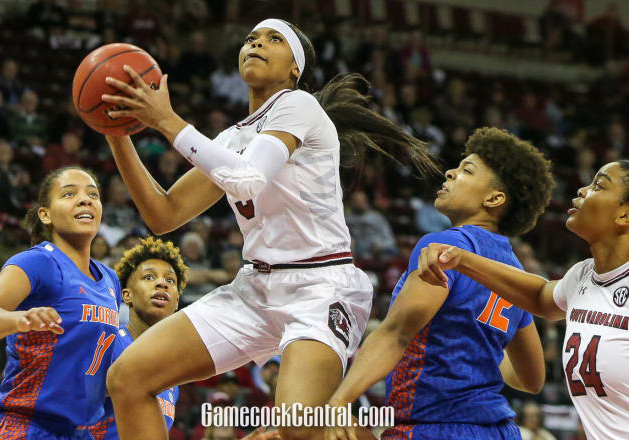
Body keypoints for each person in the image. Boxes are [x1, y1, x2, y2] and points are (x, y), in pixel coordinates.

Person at [101, 17, 438, 440]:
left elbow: (247, 178)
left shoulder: (298, 106)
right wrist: (116, 134)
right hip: (255, 287)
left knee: (300, 425)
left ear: (295, 68)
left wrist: (166, 120)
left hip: (319, 287)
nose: (256, 44)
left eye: (273, 39)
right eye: (250, 39)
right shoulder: (228, 139)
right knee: (127, 378)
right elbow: (164, 214)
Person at [325, 127, 555, 440]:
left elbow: (396, 333)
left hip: (433, 427)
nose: (450, 172)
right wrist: (477, 359)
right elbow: (532, 379)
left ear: (494, 198)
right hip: (499, 430)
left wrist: (339, 401)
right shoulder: (514, 273)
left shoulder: (447, 245)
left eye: (466, 170)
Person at [417, 159, 629, 440]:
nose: (581, 190)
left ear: (624, 215)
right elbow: (540, 297)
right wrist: (461, 259)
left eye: (598, 186)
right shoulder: (582, 276)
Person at [0, 166, 121, 439]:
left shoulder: (110, 280)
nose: (85, 199)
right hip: (26, 426)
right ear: (45, 214)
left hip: (81, 432)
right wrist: (20, 319)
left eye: (93, 194)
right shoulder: (38, 262)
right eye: (69, 194)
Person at [88, 236, 187, 439]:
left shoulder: (172, 378)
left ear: (177, 300)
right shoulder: (107, 342)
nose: (161, 284)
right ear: (127, 295)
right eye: (149, 277)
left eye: (170, 280)